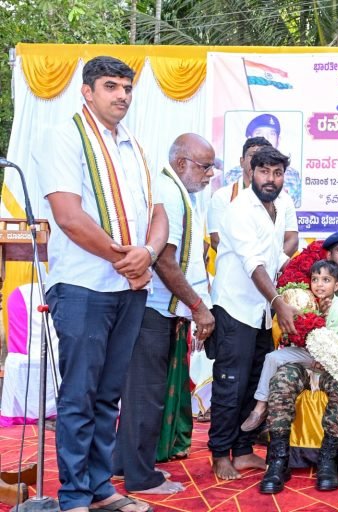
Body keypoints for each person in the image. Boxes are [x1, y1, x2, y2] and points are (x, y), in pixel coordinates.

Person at [38, 56, 169, 512]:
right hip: (83, 287)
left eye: (127, 87)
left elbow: (158, 213)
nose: (122, 95)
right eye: (111, 86)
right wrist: (126, 261)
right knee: (80, 396)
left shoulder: (134, 145)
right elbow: (68, 216)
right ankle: (74, 496)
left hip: (128, 289)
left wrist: (147, 253)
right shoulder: (64, 136)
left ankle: (98, 490)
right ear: (87, 91)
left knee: (108, 396)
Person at [113, 133, 216, 494]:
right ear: (182, 163)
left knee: (142, 392)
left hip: (157, 309)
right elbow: (165, 261)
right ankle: (141, 477)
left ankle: (126, 464)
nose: (210, 174)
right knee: (146, 393)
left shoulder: (179, 192)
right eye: (205, 166)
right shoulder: (169, 194)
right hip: (152, 309)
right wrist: (198, 306)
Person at [207, 146, 298, 480]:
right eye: (264, 171)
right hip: (235, 309)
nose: (270, 179)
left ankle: (243, 450)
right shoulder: (240, 209)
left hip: (260, 312)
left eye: (277, 173)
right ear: (251, 172)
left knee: (254, 384)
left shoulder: (279, 205)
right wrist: (278, 303)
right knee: (230, 385)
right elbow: (254, 264)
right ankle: (220, 454)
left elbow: (276, 257)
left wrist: (306, 274)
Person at [241, 260, 338, 433]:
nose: (319, 284)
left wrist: (328, 356)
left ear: (336, 285)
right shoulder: (304, 301)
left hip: (334, 358)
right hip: (307, 354)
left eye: (326, 280)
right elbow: (294, 334)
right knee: (271, 357)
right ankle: (260, 407)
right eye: (315, 279)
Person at [207, 136, 298, 256]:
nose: (259, 159)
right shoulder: (223, 197)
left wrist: (272, 263)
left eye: (264, 155)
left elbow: (292, 240)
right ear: (242, 161)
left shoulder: (284, 199)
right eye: (253, 155)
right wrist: (254, 264)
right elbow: (216, 240)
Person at [229, 113, 301, 207]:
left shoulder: (293, 178)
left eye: (272, 134)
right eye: (259, 133)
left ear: (278, 140)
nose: (266, 137)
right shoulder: (231, 177)